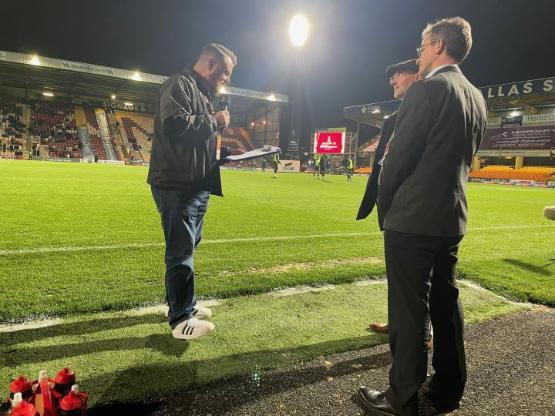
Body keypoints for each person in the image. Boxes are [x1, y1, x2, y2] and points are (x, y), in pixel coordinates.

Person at [358, 17, 488, 416]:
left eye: (421, 45)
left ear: (436, 46)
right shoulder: (476, 96)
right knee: (445, 305)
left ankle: (402, 400)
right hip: (451, 218)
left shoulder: (428, 90)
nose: (418, 53)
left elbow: (397, 163)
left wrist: (388, 204)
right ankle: (448, 388)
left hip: (413, 220)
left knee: (409, 312)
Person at [147, 43, 237, 341]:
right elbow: (173, 125)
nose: (227, 80)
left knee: (188, 248)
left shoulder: (202, 94)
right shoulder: (179, 84)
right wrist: (214, 121)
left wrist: (220, 150)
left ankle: (183, 304)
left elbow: (194, 140)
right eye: (225, 73)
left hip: (196, 185)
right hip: (177, 186)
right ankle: (180, 319)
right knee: (181, 252)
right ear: (210, 64)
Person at [357, 59, 420, 335]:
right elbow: (383, 162)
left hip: (414, 205)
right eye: (391, 76)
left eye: (398, 74)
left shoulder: (425, 109)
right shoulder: (394, 118)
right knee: (399, 273)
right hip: (393, 206)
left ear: (417, 74)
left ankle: (422, 332)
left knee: (419, 276)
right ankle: (399, 323)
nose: (393, 80)